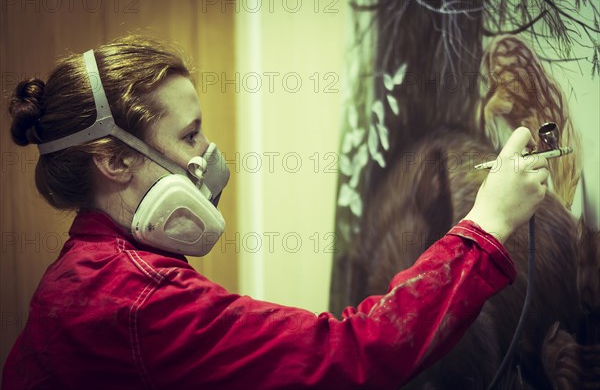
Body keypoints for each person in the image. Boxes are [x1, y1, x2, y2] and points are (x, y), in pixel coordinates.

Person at [2, 35, 549, 390]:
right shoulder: (136, 303)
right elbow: (350, 355)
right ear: (114, 159)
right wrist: (487, 227)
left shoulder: (85, 269)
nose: (208, 156)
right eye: (190, 135)